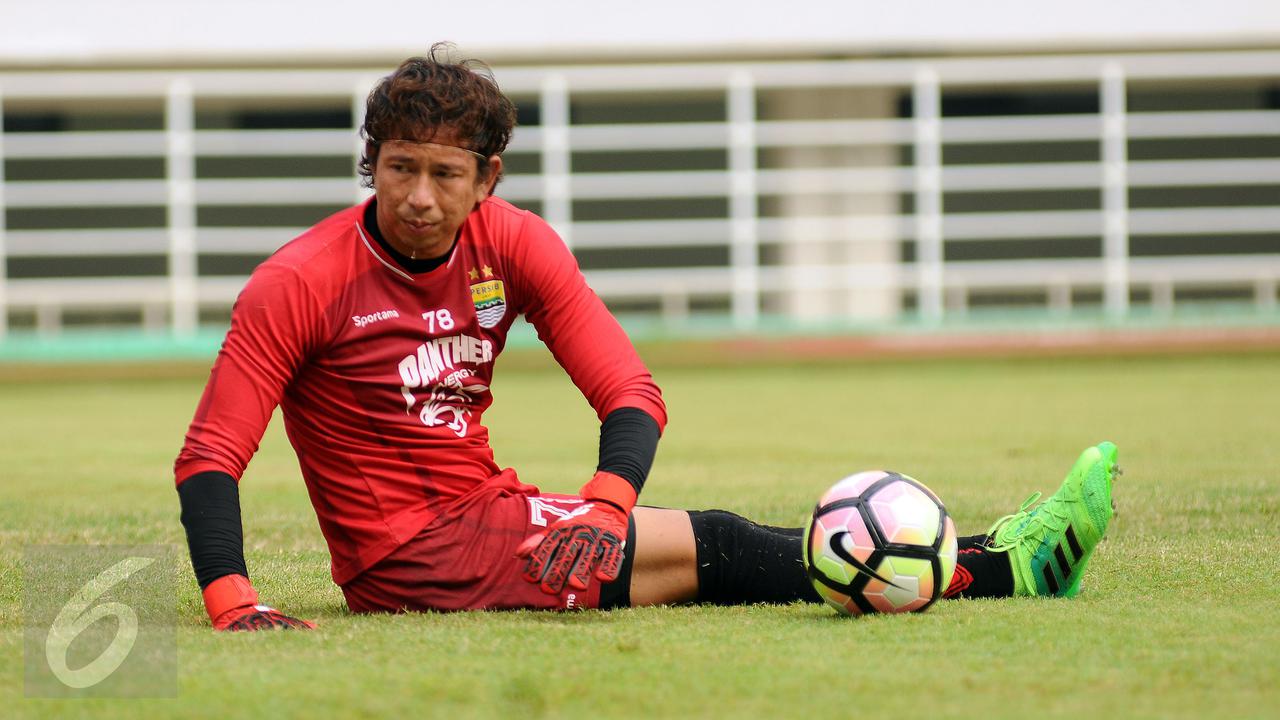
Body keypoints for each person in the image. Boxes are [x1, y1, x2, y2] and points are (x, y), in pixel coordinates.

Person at [174, 45, 1118, 630]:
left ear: (487, 177)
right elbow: (210, 456)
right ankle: (1003, 569)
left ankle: (989, 559)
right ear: (370, 163)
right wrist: (233, 601)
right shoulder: (299, 282)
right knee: (713, 546)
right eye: (398, 169)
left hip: (488, 510)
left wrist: (606, 501)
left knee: (692, 543)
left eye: (446, 174)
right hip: (408, 555)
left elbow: (631, 391)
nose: (419, 197)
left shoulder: (516, 243)